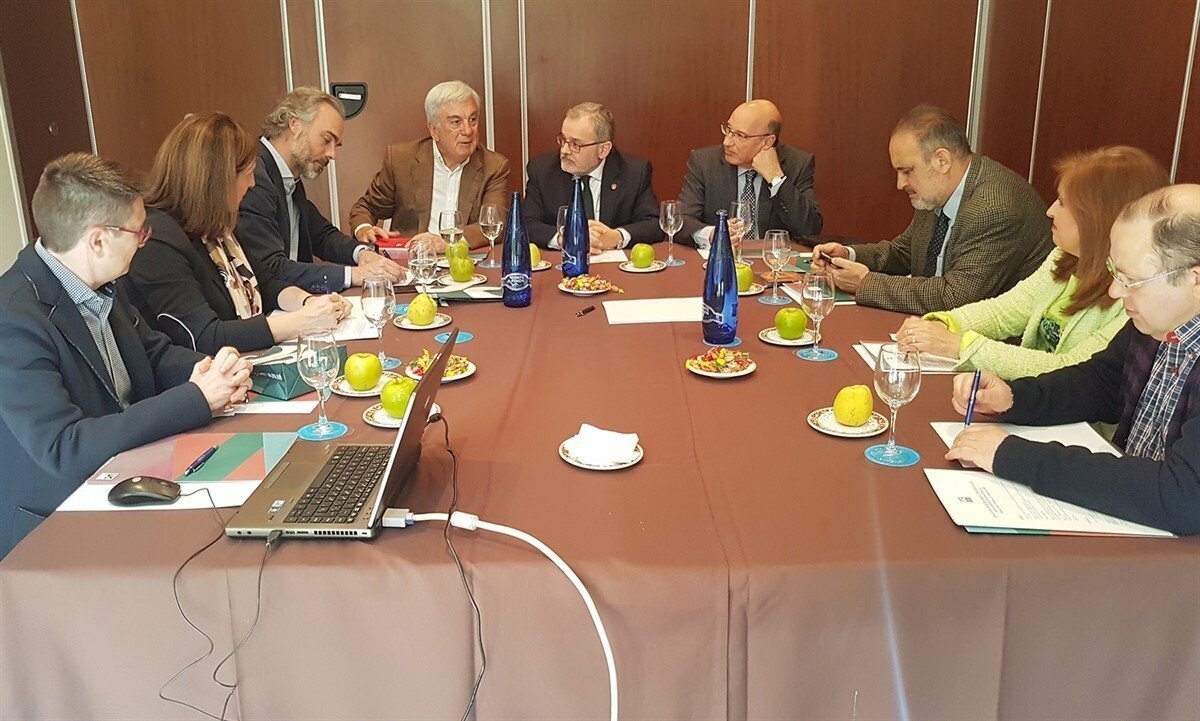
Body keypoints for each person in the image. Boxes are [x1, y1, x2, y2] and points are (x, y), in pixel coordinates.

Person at [0, 153, 252, 558]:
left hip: (132, 471)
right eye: (139, 232)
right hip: (57, 526)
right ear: (98, 241)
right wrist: (196, 398)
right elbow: (65, 448)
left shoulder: (95, 279)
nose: (143, 242)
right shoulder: (13, 320)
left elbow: (152, 354)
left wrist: (210, 370)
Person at [946, 184, 1200, 536]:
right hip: (1135, 523)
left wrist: (1013, 456)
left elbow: (1182, 495)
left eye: (1131, 280)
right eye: (1115, 272)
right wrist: (1014, 397)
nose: (1115, 291)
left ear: (1195, 280)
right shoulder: (1158, 321)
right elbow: (1103, 383)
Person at [896, 146, 1168, 379]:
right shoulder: (1065, 257)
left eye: (1063, 202)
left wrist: (960, 347)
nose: (1050, 211)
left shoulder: (1133, 297)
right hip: (1030, 402)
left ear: (1097, 217)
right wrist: (944, 323)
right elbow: (1005, 312)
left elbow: (1072, 370)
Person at [123, 113, 351, 355]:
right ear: (218, 180)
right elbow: (204, 337)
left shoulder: (218, 225)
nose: (252, 184)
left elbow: (265, 284)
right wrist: (301, 322)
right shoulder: (158, 241)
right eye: (248, 173)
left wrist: (308, 302)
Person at [813, 105, 1052, 315]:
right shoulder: (936, 192)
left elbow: (956, 298)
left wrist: (865, 282)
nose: (900, 184)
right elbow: (904, 253)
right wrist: (847, 255)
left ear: (942, 161)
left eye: (907, 171)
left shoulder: (994, 208)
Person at [237, 87, 404, 293]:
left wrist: (362, 253)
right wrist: (353, 275)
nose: (332, 154)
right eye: (326, 140)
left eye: (336, 145)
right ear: (295, 124)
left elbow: (322, 236)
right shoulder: (254, 175)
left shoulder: (288, 177)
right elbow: (270, 267)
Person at [349, 81, 510, 251]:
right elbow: (366, 208)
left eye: (473, 120)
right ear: (434, 130)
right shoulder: (401, 160)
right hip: (413, 259)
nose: (468, 130)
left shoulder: (494, 166)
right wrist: (364, 228)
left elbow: (495, 224)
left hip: (465, 261)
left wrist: (446, 243)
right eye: (456, 122)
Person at [679, 99, 822, 247]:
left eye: (740, 135)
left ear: (768, 141)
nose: (727, 142)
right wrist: (712, 234)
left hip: (771, 258)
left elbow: (810, 229)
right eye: (728, 130)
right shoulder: (704, 162)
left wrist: (776, 178)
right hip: (723, 257)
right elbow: (682, 220)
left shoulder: (797, 164)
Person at [522, 102, 660, 252]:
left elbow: (654, 224)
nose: (565, 150)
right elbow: (527, 223)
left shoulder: (634, 172)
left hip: (613, 263)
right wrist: (564, 239)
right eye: (563, 140)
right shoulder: (542, 170)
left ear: (603, 150)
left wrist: (617, 236)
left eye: (575, 144)